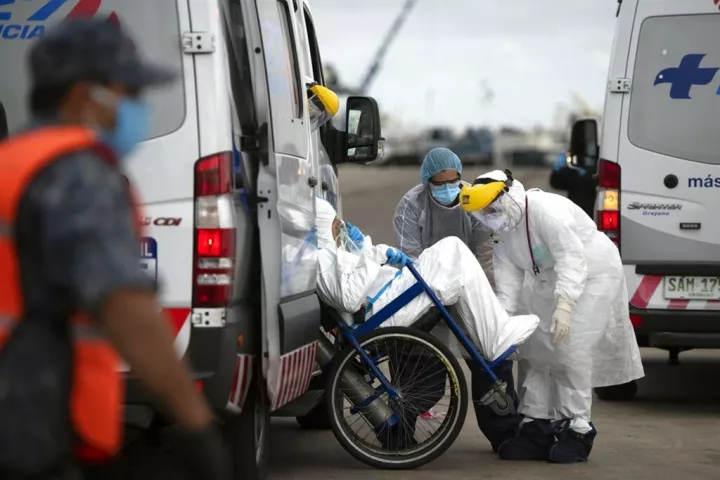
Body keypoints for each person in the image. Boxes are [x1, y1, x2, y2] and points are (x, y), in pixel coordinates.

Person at [0, 19, 229, 479]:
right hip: (32, 426)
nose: (138, 108)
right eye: (130, 92)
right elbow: (124, 306)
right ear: (87, 95)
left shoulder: (13, 162)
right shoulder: (78, 177)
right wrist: (195, 424)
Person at [314, 197, 539, 442]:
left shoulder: (327, 254)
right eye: (337, 224)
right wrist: (370, 255)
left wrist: (368, 251)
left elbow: (353, 279)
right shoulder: (321, 258)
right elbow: (348, 298)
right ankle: (495, 336)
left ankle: (494, 335)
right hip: (382, 311)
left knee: (451, 254)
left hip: (386, 298)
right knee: (453, 254)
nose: (341, 228)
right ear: (325, 226)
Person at [461, 170, 644, 464]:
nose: (490, 218)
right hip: (548, 279)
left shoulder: (545, 210)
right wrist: (501, 326)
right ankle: (537, 426)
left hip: (594, 274)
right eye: (484, 214)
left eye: (492, 210)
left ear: (507, 197)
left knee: (570, 350)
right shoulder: (505, 233)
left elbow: (571, 256)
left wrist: (566, 305)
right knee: (536, 349)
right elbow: (508, 287)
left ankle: (578, 429)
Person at [392, 147, 520, 452]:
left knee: (490, 357)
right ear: (427, 181)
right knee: (420, 365)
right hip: (427, 288)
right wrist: (434, 289)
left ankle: (505, 436)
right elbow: (410, 256)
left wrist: (492, 297)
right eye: (440, 183)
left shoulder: (471, 200)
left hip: (468, 285)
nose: (449, 188)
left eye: (454, 181)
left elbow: (485, 251)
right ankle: (397, 433)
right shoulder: (411, 205)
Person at [548, 152, 596, 218]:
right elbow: (556, 184)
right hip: (574, 212)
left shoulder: (595, 171)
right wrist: (556, 171)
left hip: (592, 213)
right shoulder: (570, 171)